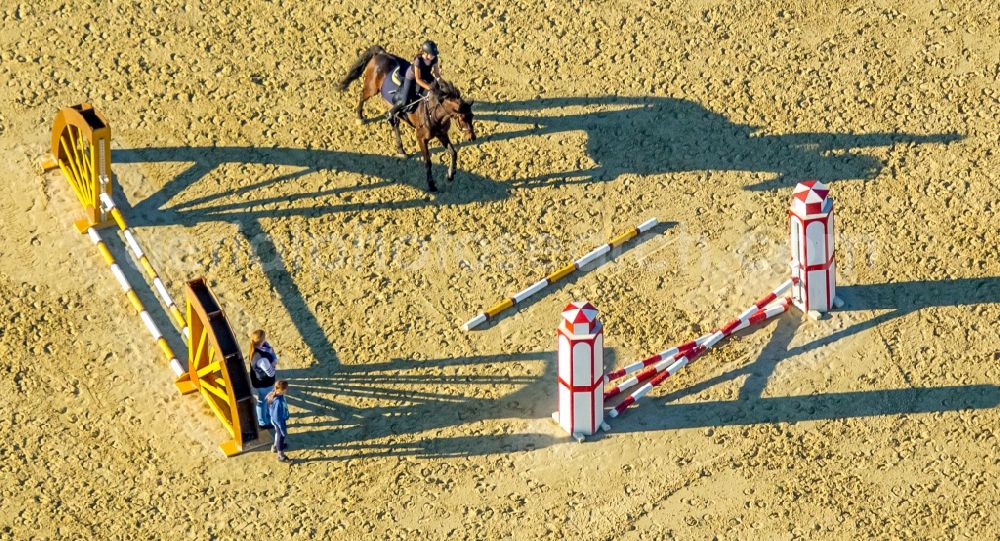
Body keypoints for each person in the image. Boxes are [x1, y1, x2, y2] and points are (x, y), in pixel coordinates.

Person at [387, 39, 442, 120]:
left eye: (434, 55)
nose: (434, 56)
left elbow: (437, 73)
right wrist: (430, 88)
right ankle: (392, 112)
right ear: (425, 53)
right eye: (432, 54)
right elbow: (418, 80)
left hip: (426, 75)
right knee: (405, 100)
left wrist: (440, 82)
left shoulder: (434, 58)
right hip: (412, 78)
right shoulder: (418, 60)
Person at [247, 329, 279, 430]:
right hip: (265, 384)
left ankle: (264, 419)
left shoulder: (256, 349)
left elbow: (269, 350)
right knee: (262, 401)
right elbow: (271, 373)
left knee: (263, 401)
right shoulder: (262, 359)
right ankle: (263, 423)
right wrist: (274, 363)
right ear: (261, 340)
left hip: (258, 380)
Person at [268, 380, 290, 462]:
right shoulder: (278, 402)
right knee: (281, 437)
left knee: (277, 433)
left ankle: (274, 447)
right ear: (282, 390)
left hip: (275, 420)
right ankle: (281, 456)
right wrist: (282, 428)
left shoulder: (273, 394)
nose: (287, 390)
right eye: (286, 389)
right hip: (279, 422)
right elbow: (277, 417)